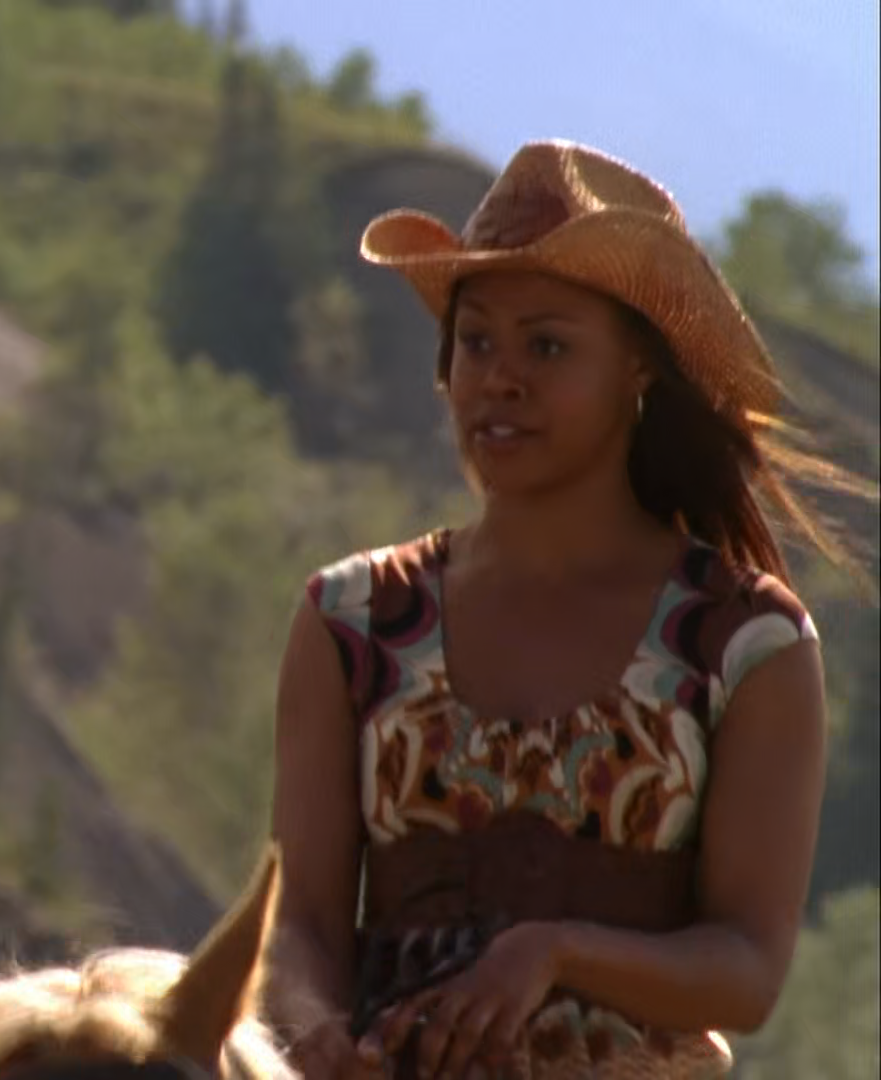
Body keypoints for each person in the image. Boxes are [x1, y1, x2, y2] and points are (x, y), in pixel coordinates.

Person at [257, 140, 871, 1078]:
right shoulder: (353, 622)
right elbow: (300, 921)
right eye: (476, 342)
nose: (501, 377)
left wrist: (557, 953)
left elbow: (746, 971)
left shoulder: (744, 645)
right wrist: (312, 1032)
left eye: (547, 346)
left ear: (638, 371)